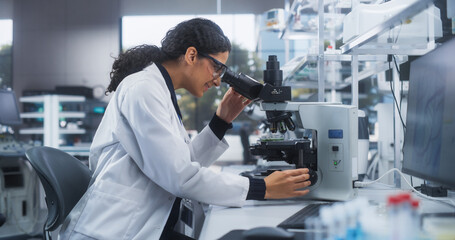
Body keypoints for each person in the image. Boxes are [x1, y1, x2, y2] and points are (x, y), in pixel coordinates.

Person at [59, 18, 311, 240]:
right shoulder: (143, 89)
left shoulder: (159, 90)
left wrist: (220, 122)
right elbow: (180, 176)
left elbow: (180, 163)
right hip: (117, 230)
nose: (217, 79)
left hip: (144, 225)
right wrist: (262, 188)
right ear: (191, 55)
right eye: (217, 67)